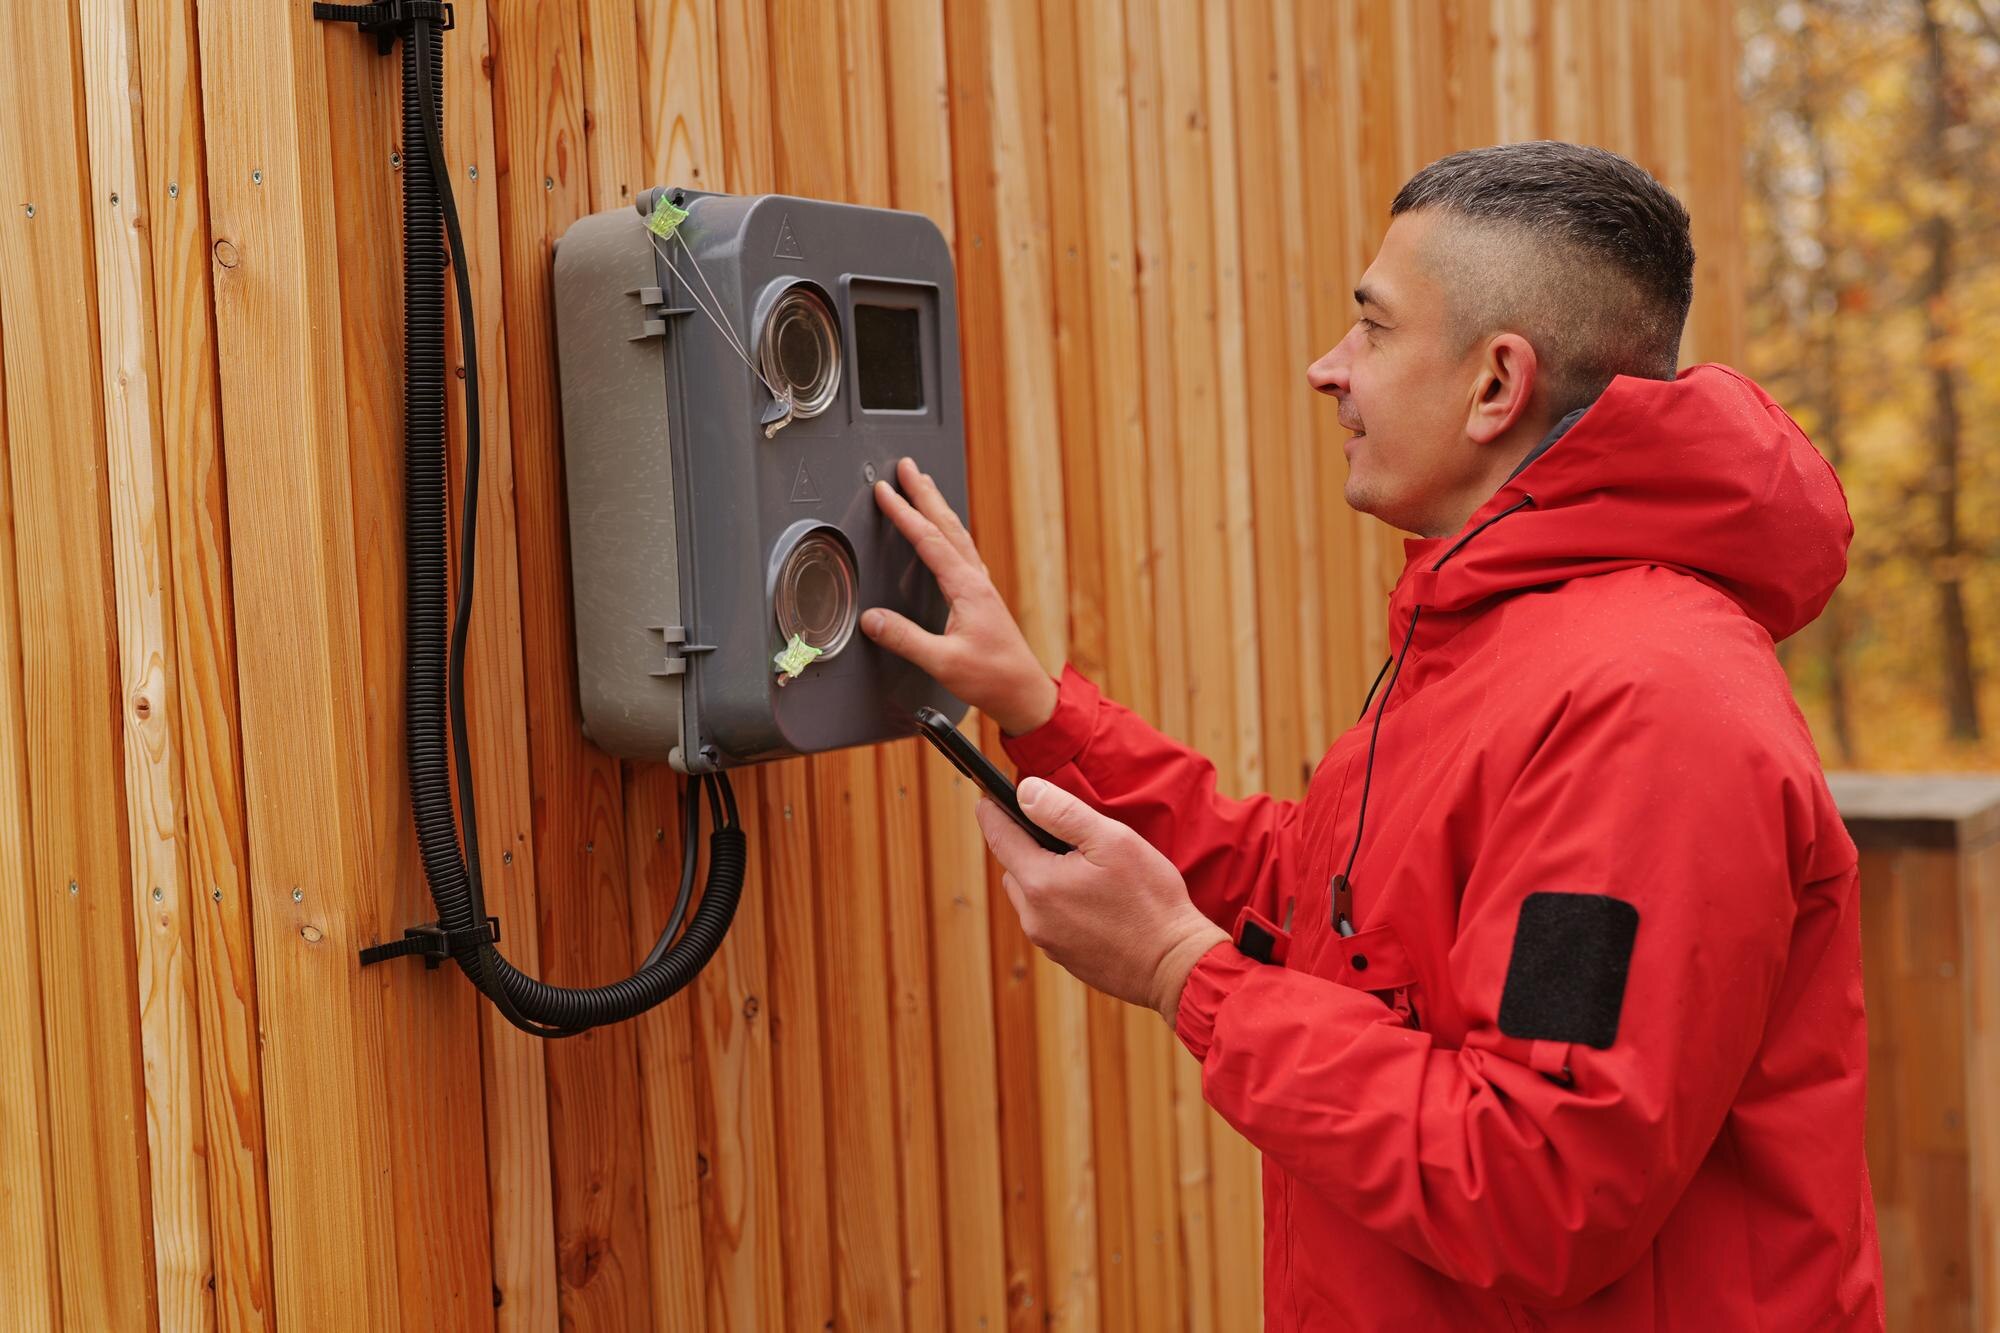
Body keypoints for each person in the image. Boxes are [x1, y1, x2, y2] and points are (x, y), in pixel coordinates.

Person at [859, 141, 1884, 1331]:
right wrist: (1040, 709)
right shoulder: (1503, 639)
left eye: (1372, 328)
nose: (1325, 369)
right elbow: (1324, 908)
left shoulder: (1646, 711)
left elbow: (1537, 1185)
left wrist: (1177, 972)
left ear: (1495, 384)